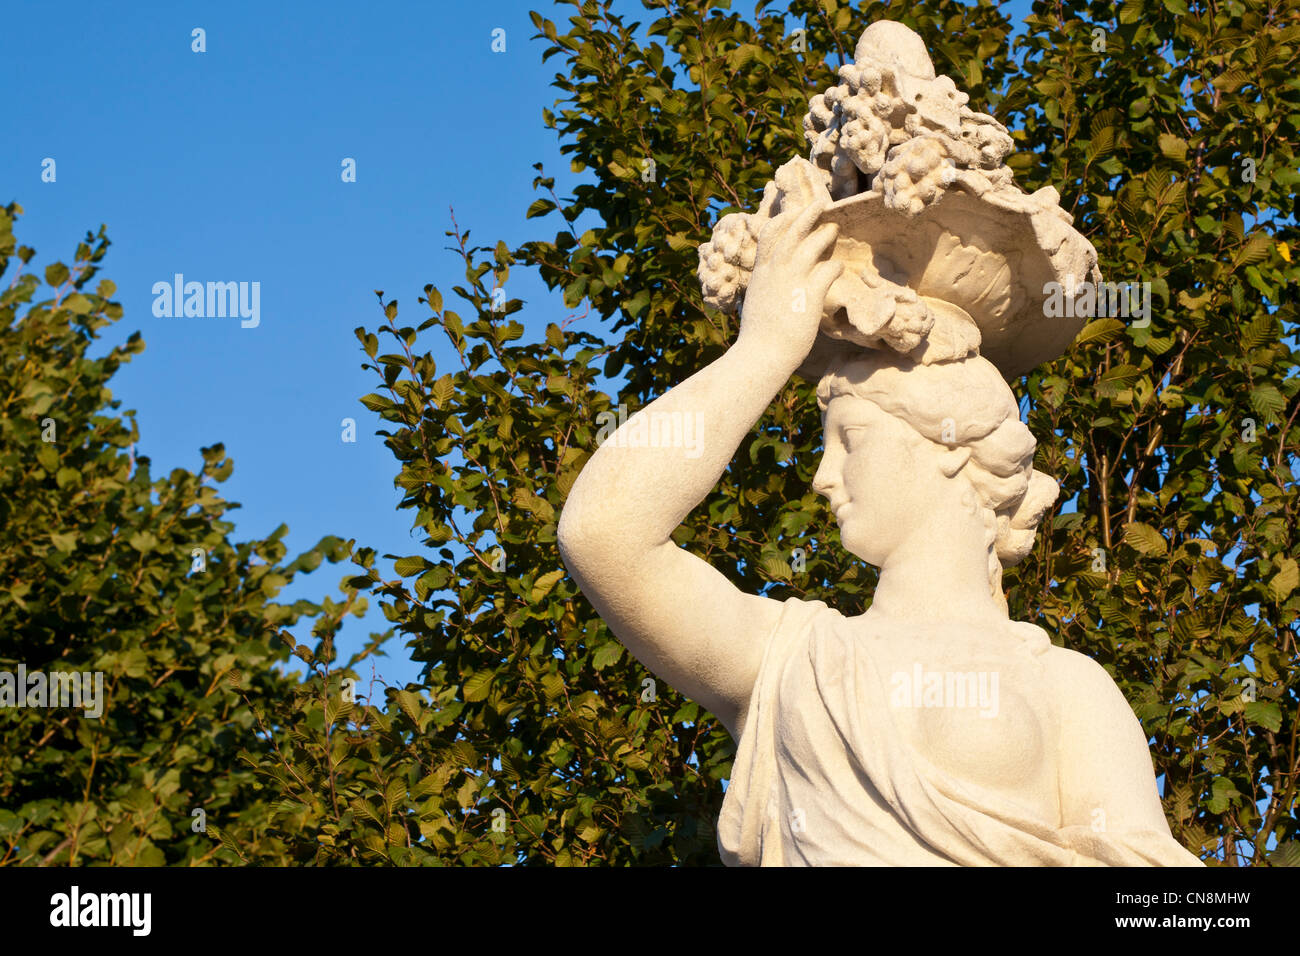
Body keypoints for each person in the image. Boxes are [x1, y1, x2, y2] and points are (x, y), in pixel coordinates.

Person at [557, 199, 1202, 866]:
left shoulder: (1066, 684)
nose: (822, 479)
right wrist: (765, 350)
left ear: (949, 443)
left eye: (849, 442)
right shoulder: (791, 661)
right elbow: (605, 534)